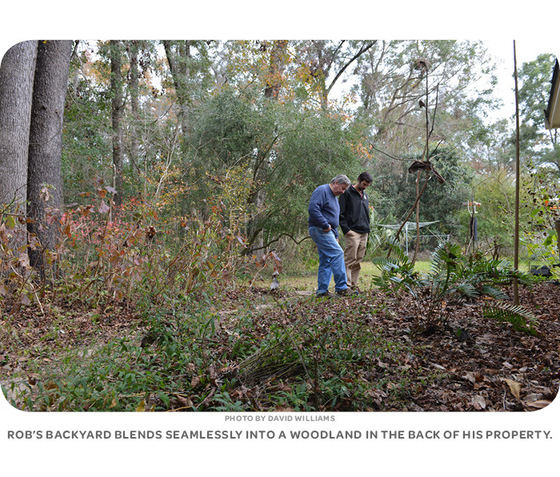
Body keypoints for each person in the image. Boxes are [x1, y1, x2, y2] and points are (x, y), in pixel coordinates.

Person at [308, 174, 353, 297]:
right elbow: (313, 209)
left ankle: (322, 291)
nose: (343, 192)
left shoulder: (334, 198)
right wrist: (324, 225)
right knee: (338, 253)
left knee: (326, 260)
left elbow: (334, 219)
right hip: (320, 229)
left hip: (329, 231)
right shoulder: (322, 190)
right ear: (336, 182)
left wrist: (336, 235)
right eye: (342, 188)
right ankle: (341, 287)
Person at [339, 171, 373, 291]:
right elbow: (341, 213)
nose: (364, 187)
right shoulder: (346, 193)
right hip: (352, 231)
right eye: (363, 184)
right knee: (349, 259)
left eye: (367, 186)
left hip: (364, 231)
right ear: (358, 179)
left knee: (358, 260)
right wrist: (346, 230)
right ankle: (345, 286)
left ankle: (353, 285)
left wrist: (368, 229)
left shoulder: (365, 195)